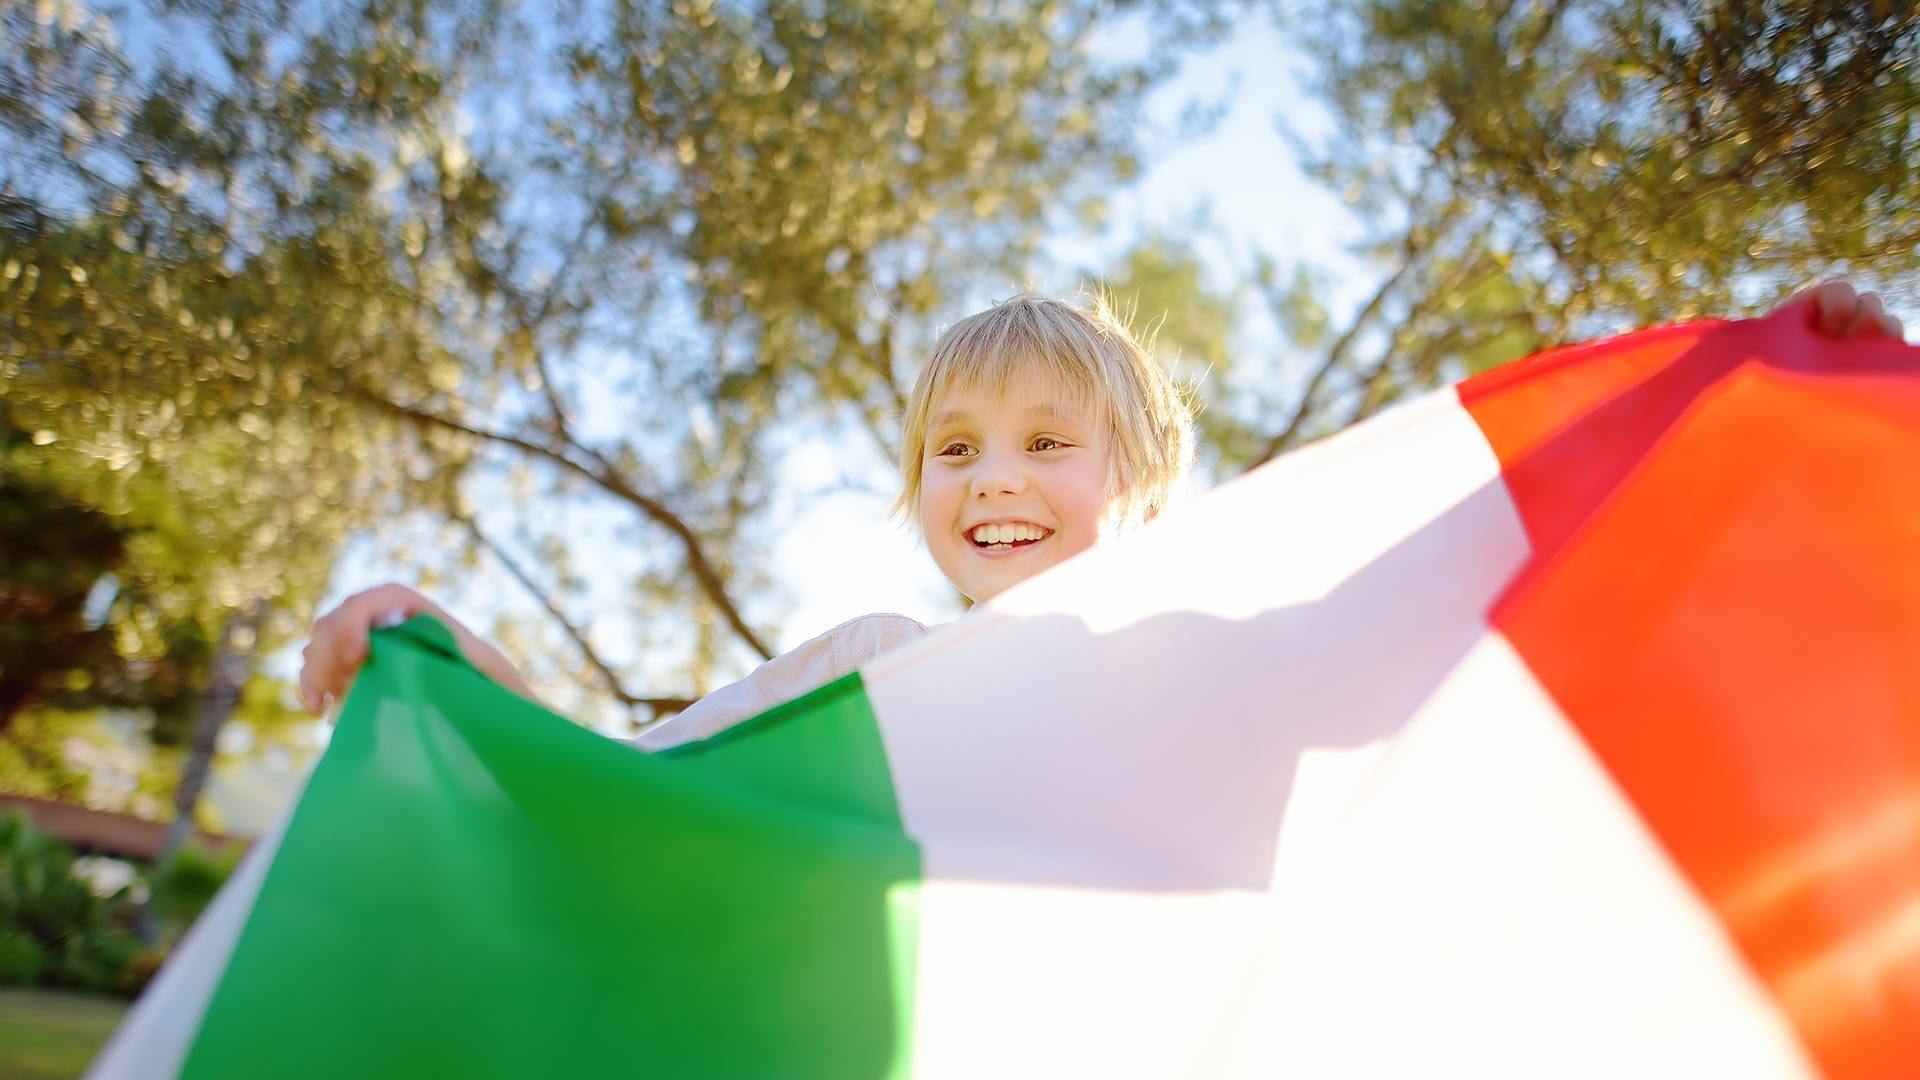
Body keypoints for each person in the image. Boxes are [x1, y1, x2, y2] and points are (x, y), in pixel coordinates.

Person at [296, 281, 1906, 748]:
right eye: (955, 450)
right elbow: (628, 788)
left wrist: (1736, 405)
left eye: (1047, 441)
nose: (994, 478)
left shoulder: (1209, 670)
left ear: (1139, 488)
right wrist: (444, 654)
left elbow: (1479, 630)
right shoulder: (873, 664)